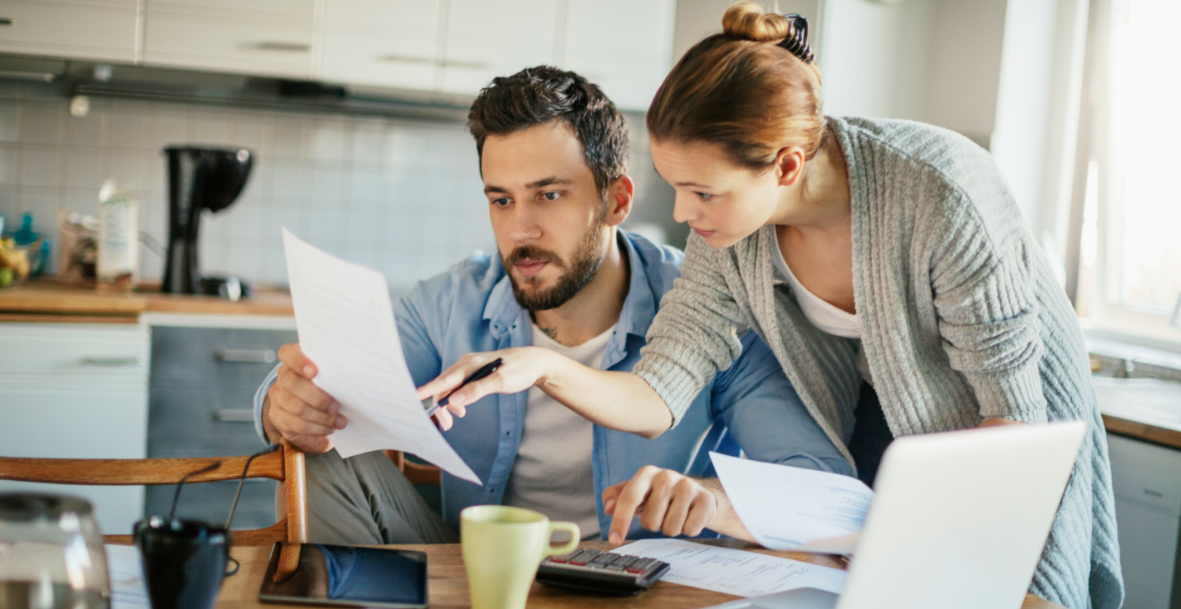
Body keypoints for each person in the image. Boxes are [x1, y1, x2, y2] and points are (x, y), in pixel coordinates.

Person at [418, 5, 1123, 609]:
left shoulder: (940, 194)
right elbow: (661, 388)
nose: (686, 217)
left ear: (786, 167)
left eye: (704, 192)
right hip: (883, 438)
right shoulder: (730, 237)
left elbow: (1012, 430)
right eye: (675, 189)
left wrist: (918, 533)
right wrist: (542, 367)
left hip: (996, 436)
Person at [255, 65, 845, 547]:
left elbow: (823, 488)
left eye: (549, 195)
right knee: (317, 455)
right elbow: (329, 394)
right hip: (474, 572)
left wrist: (711, 498)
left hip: (642, 586)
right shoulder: (448, 302)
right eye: (501, 200)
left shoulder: (708, 310)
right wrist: (284, 405)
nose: (520, 229)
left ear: (616, 200)